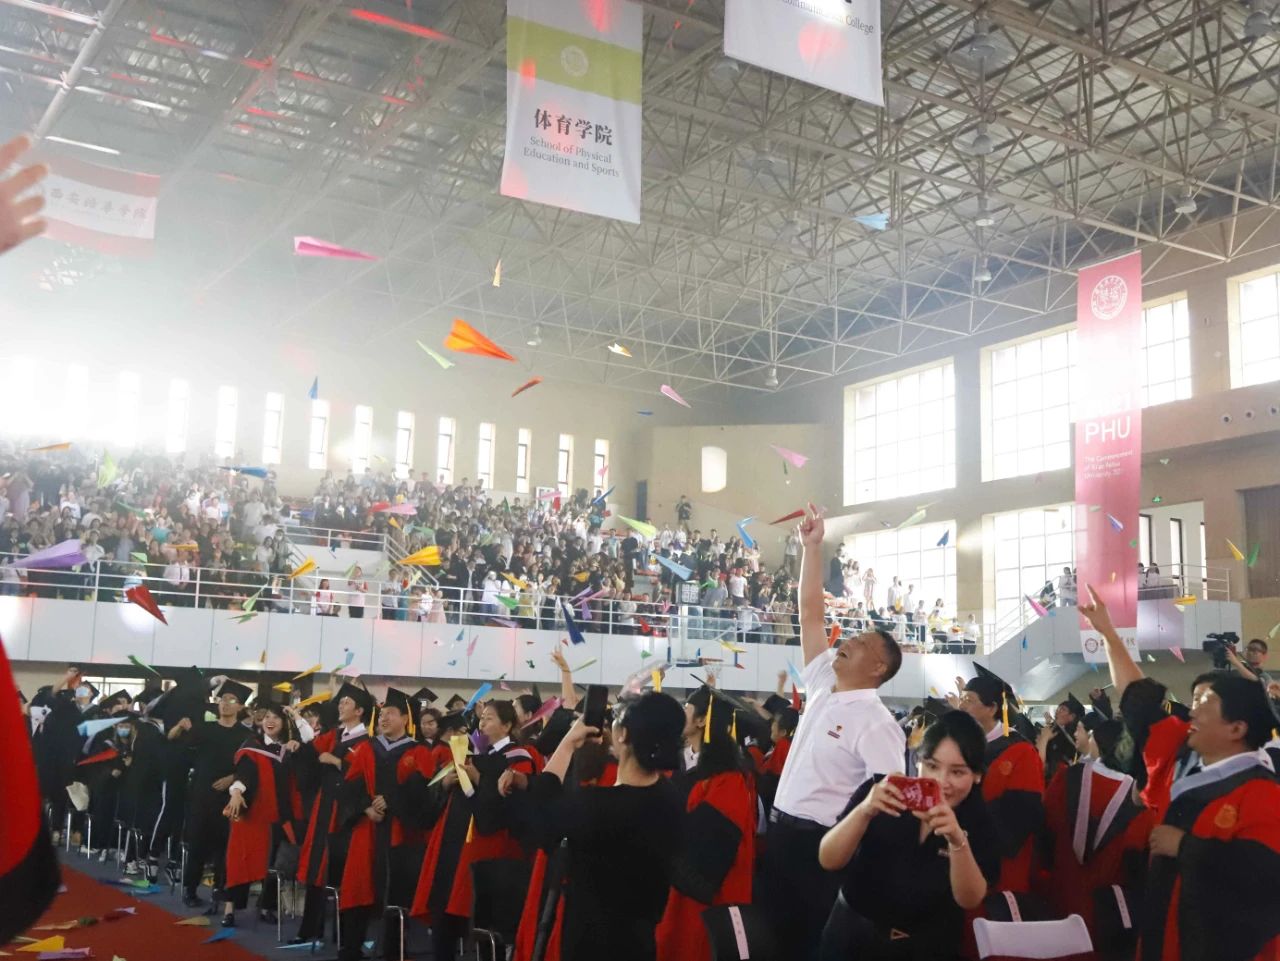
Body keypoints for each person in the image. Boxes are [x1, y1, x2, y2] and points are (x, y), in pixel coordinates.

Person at [764, 504, 905, 961]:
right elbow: (810, 613)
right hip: (780, 835)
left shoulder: (877, 723)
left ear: (878, 668)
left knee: (812, 948)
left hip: (820, 847)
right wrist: (812, 547)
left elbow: (887, 807)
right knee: (772, 944)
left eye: (859, 644)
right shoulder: (824, 681)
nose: (845, 643)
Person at [816, 710, 999, 960]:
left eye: (957, 772)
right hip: (852, 936)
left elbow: (970, 899)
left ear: (977, 775)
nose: (941, 781)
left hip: (926, 948)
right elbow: (828, 859)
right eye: (932, 766)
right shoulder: (884, 793)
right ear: (918, 761)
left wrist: (957, 840)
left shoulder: (978, 821)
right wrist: (864, 811)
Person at [521, 695, 685, 961]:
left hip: (591, 943)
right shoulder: (671, 798)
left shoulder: (598, 807)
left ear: (623, 735)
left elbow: (541, 817)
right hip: (640, 942)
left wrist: (567, 745)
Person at [1142, 674, 1280, 961]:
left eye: (1206, 704)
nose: (1193, 713)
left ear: (1236, 728)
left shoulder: (1261, 792)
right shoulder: (1196, 781)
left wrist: (1184, 846)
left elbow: (1264, 874)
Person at [1038, 719, 1154, 957]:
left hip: (1060, 895)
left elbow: (1046, 825)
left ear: (1099, 744)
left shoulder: (1067, 778)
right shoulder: (1140, 799)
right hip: (1107, 915)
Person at [656, 687, 757, 961]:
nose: (681, 714)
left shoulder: (729, 778)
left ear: (702, 720)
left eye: (686, 709)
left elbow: (713, 844)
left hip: (706, 887)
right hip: (673, 879)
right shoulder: (675, 763)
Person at [336, 688, 437, 961]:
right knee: (359, 887)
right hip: (367, 829)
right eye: (382, 714)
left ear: (405, 718)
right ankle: (351, 949)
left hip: (400, 832)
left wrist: (392, 800)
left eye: (391, 713)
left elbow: (424, 792)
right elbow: (350, 786)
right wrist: (366, 808)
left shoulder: (418, 751)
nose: (383, 718)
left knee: (396, 893)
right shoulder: (367, 748)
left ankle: (393, 951)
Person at [291, 683, 373, 945]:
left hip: (347, 813)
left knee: (341, 873)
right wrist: (297, 745)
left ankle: (344, 937)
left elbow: (365, 778)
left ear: (360, 711)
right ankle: (310, 930)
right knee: (316, 867)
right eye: (341, 701)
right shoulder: (335, 735)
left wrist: (338, 762)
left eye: (346, 702)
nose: (341, 705)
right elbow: (312, 753)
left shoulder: (368, 742)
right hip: (324, 806)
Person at [956, 664, 1044, 894]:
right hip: (958, 852)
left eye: (969, 700)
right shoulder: (961, 744)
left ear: (992, 708)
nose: (961, 705)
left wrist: (972, 829)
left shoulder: (1021, 751)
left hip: (1000, 863)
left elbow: (1023, 815)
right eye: (962, 699)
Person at [221, 702, 308, 928]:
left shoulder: (288, 750)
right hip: (253, 816)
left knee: (274, 864)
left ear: (284, 723)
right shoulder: (252, 747)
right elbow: (244, 774)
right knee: (240, 860)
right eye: (267, 716)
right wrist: (236, 792)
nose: (270, 721)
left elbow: (310, 742)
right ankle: (229, 909)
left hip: (279, 817)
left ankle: (267, 906)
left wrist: (296, 719)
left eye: (276, 718)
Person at [171, 678, 254, 910]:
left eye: (231, 700)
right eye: (222, 699)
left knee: (224, 847)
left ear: (240, 706)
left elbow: (249, 766)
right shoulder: (204, 729)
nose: (225, 704)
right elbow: (179, 746)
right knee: (197, 844)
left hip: (229, 797)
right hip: (201, 794)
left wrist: (232, 778)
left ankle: (220, 889)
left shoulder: (246, 736)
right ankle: (190, 889)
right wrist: (179, 727)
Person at [1038, 692, 1085, 783]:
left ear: (1072, 717)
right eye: (1058, 708)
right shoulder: (1056, 729)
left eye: (1063, 709)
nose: (1058, 711)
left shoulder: (1074, 736)